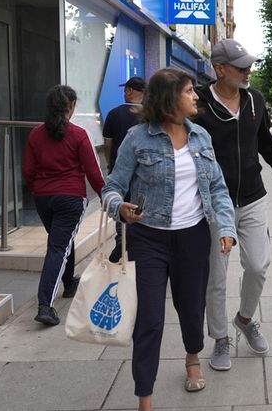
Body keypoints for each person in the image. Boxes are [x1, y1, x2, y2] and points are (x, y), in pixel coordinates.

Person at [102, 68, 237, 411]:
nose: (195, 96)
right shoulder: (136, 138)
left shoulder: (201, 137)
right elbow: (112, 186)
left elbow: (218, 188)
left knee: (191, 308)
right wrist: (119, 208)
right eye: (189, 91)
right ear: (168, 98)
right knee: (149, 318)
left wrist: (225, 227)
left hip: (192, 238)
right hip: (147, 238)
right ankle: (144, 397)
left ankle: (193, 357)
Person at [192, 38, 272, 370]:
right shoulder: (198, 102)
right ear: (220, 68)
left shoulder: (255, 99)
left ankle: (244, 318)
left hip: (253, 195)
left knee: (258, 265)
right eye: (241, 67)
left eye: (249, 65)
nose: (248, 71)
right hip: (214, 201)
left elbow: (265, 141)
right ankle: (221, 338)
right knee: (218, 275)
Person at [23, 85, 106, 326]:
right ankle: (45, 305)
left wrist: (38, 189)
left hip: (43, 198)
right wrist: (105, 196)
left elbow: (28, 171)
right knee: (58, 247)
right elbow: (93, 172)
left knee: (61, 242)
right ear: (70, 107)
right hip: (70, 198)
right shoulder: (78, 134)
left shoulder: (36, 134)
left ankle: (69, 283)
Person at [102, 76, 146, 263]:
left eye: (126, 89)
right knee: (139, 209)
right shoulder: (151, 116)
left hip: (120, 172)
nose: (124, 92)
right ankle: (133, 243)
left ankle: (122, 242)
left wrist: (110, 163)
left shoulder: (114, 114)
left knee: (121, 207)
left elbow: (107, 143)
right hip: (143, 175)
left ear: (131, 91)